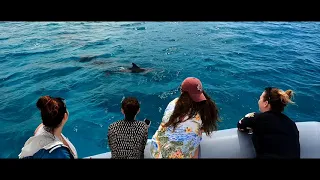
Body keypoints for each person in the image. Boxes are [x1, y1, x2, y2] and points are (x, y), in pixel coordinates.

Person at [150, 77, 220, 158]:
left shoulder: (172, 103)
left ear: (181, 91)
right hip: (178, 156)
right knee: (197, 137)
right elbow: (202, 129)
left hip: (156, 151)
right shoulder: (201, 113)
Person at [237, 87, 300, 159]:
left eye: (260, 98)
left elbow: (240, 125)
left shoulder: (257, 118)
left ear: (266, 103)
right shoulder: (292, 124)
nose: (258, 101)